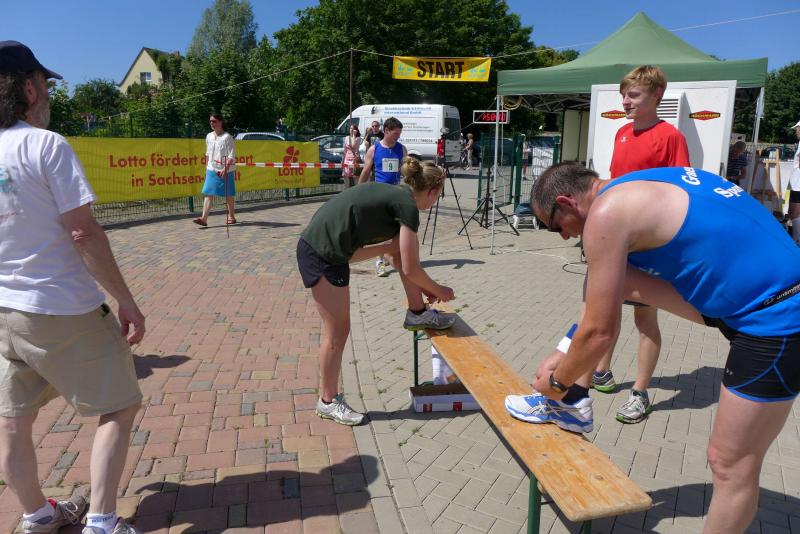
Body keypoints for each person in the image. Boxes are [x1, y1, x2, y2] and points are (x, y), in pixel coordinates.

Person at [507, 162, 800, 532]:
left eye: (555, 226)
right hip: (754, 302)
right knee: (605, 273)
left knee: (730, 464)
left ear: (566, 203)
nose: (563, 237)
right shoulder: (631, 185)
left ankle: (565, 395)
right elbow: (601, 306)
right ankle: (575, 402)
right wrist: (565, 351)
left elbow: (600, 332)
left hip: (779, 321)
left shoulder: (606, 214)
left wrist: (556, 382)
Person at [0, 41, 145, 534]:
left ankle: (38, 516)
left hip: (5, 312)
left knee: (13, 420)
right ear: (27, 88)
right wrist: (126, 300)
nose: (48, 94)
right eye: (44, 84)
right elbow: (82, 232)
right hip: (60, 306)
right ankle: (102, 522)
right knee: (120, 402)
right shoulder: (45, 145)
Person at [297, 157, 457, 425]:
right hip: (322, 253)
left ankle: (417, 312)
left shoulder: (397, 196)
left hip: (330, 250)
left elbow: (397, 257)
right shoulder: (407, 206)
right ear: (431, 191)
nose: (434, 203)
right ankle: (328, 401)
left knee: (401, 248)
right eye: (437, 197)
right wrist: (439, 289)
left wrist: (421, 289)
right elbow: (410, 268)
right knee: (337, 332)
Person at [589, 65, 690, 425]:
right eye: (623, 95)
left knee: (644, 318)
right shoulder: (621, 133)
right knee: (606, 308)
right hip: (617, 241)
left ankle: (640, 393)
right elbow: (617, 183)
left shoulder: (671, 137)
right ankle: (602, 371)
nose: (625, 101)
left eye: (633, 95)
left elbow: (680, 191)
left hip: (649, 245)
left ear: (656, 95)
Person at [358, 117, 408, 276]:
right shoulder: (374, 149)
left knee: (397, 229)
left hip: (396, 195)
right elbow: (366, 171)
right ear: (386, 131)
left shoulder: (402, 149)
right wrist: (358, 191)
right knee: (380, 230)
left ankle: (392, 256)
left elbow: (406, 171)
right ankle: (379, 261)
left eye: (399, 133)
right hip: (379, 195)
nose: (398, 136)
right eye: (395, 133)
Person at [193, 112, 236, 227]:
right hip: (211, 169)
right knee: (208, 194)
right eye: (210, 121)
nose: (212, 123)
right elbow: (207, 153)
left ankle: (231, 216)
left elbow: (231, 156)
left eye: (214, 121)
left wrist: (225, 169)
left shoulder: (227, 137)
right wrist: (207, 167)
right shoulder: (209, 136)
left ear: (220, 122)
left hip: (226, 170)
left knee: (228, 194)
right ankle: (203, 219)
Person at [788, 120, 800, 246]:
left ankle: (796, 241)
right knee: (793, 212)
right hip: (795, 184)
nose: (796, 131)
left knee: (795, 212)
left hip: (798, 185)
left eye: (797, 128)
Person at [342, 124, 361, 189]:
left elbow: (353, 145)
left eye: (353, 129)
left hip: (354, 158)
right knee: (345, 175)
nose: (351, 130)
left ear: (356, 130)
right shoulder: (346, 138)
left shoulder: (358, 138)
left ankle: (356, 191)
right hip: (347, 158)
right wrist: (343, 160)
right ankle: (346, 190)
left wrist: (354, 135)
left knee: (355, 176)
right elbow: (345, 150)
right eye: (350, 128)